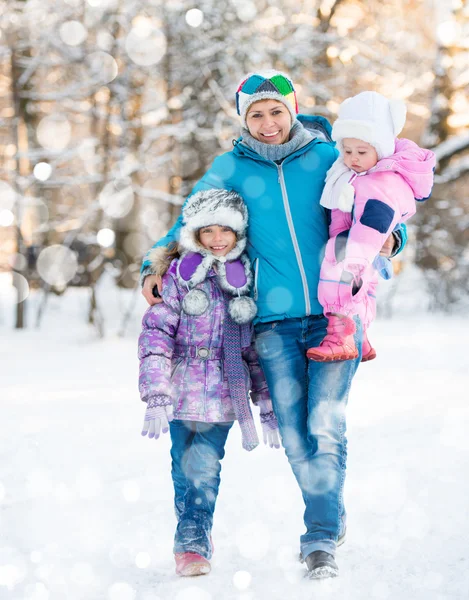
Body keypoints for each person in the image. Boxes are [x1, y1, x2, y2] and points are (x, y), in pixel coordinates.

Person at [140, 70, 406, 579]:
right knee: (295, 431)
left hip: (338, 317)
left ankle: (320, 537)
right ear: (244, 119)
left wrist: (394, 241)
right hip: (274, 324)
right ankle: (328, 511)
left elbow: (384, 200)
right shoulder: (230, 167)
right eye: (256, 114)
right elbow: (189, 219)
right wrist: (155, 264)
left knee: (325, 427)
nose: (267, 122)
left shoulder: (330, 157)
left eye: (276, 111)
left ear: (293, 109)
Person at [138, 188, 280, 578]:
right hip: (181, 389)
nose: (218, 239)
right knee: (181, 466)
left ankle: (193, 540)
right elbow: (156, 336)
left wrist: (265, 405)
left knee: (204, 464)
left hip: (223, 391)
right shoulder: (179, 277)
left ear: (238, 234)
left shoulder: (244, 280)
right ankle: (191, 530)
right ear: (195, 235)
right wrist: (155, 394)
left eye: (226, 231)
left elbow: (253, 350)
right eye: (208, 231)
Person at [306, 91, 435, 363]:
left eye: (361, 152)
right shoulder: (358, 175)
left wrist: (353, 259)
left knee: (339, 279)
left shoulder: (377, 183)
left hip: (355, 252)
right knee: (363, 293)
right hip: (362, 254)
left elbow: (373, 226)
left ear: (382, 148)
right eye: (347, 151)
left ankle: (340, 336)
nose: (352, 157)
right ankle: (361, 336)